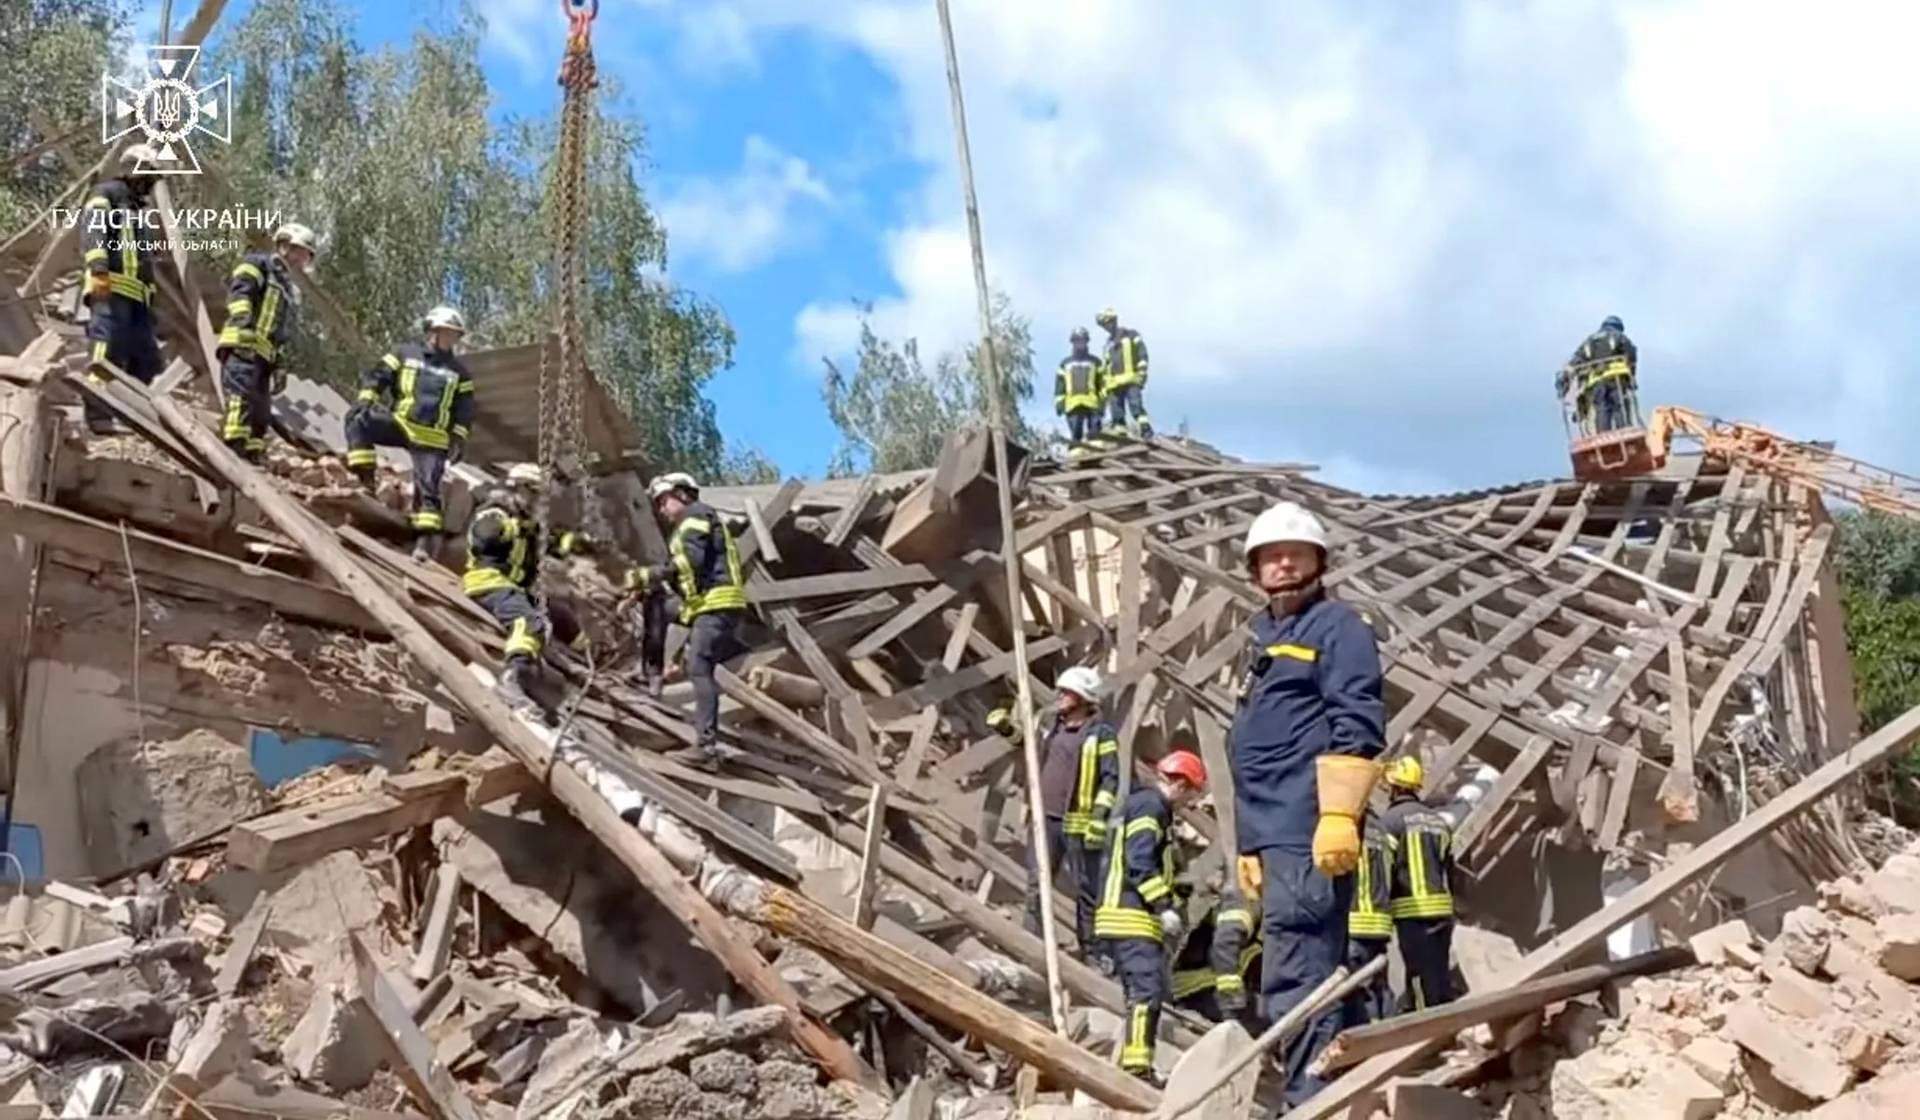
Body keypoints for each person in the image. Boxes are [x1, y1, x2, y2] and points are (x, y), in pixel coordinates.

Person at [1228, 500, 1385, 1106]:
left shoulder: (1337, 628)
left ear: (1319, 562)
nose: (1284, 564)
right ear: (1254, 568)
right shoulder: (1264, 636)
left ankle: (1310, 1102)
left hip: (1305, 824)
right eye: (1271, 556)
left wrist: (1341, 813)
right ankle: (1321, 1094)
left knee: (1299, 970)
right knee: (1294, 964)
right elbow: (1251, 744)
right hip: (1273, 831)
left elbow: (1358, 718)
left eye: (1295, 554)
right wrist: (1248, 841)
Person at [1096, 749, 1208, 1082]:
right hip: (1130, 915)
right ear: (1179, 784)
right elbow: (1139, 863)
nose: (1188, 802)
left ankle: (1135, 1063)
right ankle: (1136, 1068)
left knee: (1143, 993)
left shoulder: (1143, 805)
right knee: (1146, 993)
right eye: (1190, 793)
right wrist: (1164, 906)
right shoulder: (1151, 807)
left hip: (1123, 913)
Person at [345, 306, 476, 561]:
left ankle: (423, 546)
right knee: (358, 421)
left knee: (429, 492)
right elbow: (378, 375)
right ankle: (366, 483)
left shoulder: (460, 373)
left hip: (432, 439)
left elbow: (465, 409)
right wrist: (366, 399)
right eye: (447, 333)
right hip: (401, 424)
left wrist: (458, 437)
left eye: (455, 335)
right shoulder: (405, 354)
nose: (452, 339)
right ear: (433, 331)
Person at [639, 472, 748, 768]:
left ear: (683, 494)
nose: (661, 510)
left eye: (664, 501)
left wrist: (652, 574)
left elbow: (690, 560)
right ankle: (652, 675)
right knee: (657, 603)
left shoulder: (696, 515)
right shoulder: (687, 524)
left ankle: (705, 748)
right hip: (700, 604)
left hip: (716, 603)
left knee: (700, 669)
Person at [462, 463, 588, 713]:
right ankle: (513, 678)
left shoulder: (529, 522)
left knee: (562, 616)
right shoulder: (495, 513)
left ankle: (583, 660)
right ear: (518, 489)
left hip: (516, 588)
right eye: (534, 494)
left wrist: (576, 542)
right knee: (528, 622)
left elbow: (552, 543)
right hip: (489, 583)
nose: (538, 503)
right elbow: (485, 537)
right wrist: (518, 527)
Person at [1023, 667, 1118, 966]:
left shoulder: (1100, 734)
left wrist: (1099, 817)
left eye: (1067, 693)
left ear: (1083, 698)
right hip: (1044, 818)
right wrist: (1005, 728)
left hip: (1080, 824)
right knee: (1037, 883)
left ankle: (1091, 952)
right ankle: (1030, 944)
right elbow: (1025, 744)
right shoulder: (1051, 725)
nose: (1061, 697)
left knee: (1087, 892)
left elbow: (1110, 779)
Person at [79, 144, 165, 435]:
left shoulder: (138, 211)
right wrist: (99, 270)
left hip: (136, 298)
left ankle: (130, 414)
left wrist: (150, 296)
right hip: (109, 288)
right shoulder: (106, 194)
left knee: (148, 360)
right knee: (106, 351)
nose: (150, 183)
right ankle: (98, 414)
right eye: (148, 175)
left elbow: (142, 259)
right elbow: (93, 231)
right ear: (131, 169)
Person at [217, 223, 315, 462]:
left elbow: (279, 331)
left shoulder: (287, 288)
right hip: (242, 347)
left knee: (260, 411)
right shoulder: (258, 263)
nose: (303, 259)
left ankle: (252, 454)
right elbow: (240, 294)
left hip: (263, 356)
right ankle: (234, 449)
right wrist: (243, 325)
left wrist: (279, 365)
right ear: (285, 246)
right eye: (301, 251)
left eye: (306, 255)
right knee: (241, 399)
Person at [1380, 754, 1458, 1010]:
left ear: (1394, 787)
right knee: (1439, 973)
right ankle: (1447, 1021)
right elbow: (1451, 868)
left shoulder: (1390, 822)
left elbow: (1383, 871)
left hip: (1412, 913)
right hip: (1442, 912)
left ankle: (1426, 1029)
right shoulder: (1439, 822)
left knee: (1418, 976)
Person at [1170, 884, 1260, 1028]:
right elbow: (1225, 945)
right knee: (1268, 1015)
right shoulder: (1248, 902)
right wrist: (1231, 1008)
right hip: (1193, 989)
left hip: (1213, 988)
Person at [1343, 803, 1395, 1026]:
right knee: (1381, 984)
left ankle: (1369, 1032)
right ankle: (1390, 1028)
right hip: (1381, 923)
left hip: (1357, 922)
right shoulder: (1383, 832)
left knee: (1359, 988)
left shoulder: (1350, 829)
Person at [1565, 315, 1639, 434]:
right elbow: (1630, 353)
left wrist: (1566, 380)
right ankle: (1624, 431)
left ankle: (1603, 434)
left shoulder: (1589, 341)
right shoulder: (1618, 336)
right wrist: (1632, 377)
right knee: (1620, 407)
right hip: (1616, 379)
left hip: (1596, 383)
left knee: (1602, 410)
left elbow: (1575, 361)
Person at [1095, 307, 1152, 439]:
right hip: (1114, 385)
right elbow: (1106, 367)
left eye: (1107, 323)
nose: (1106, 327)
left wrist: (1142, 373)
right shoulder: (1108, 345)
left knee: (1136, 407)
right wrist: (1104, 388)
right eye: (1104, 325)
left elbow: (1142, 354)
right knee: (1117, 414)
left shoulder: (1131, 335)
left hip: (1131, 380)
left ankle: (1146, 430)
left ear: (1114, 320)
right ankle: (1121, 435)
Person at [1055, 327, 1106, 457]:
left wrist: (1102, 402)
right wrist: (1060, 403)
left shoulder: (1095, 362)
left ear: (1086, 342)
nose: (1079, 343)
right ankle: (1076, 454)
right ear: (1072, 342)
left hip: (1092, 402)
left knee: (1095, 431)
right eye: (1077, 341)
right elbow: (1060, 386)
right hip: (1072, 404)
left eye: (1082, 340)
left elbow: (1102, 384)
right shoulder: (1065, 364)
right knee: (1076, 431)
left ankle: (1096, 453)